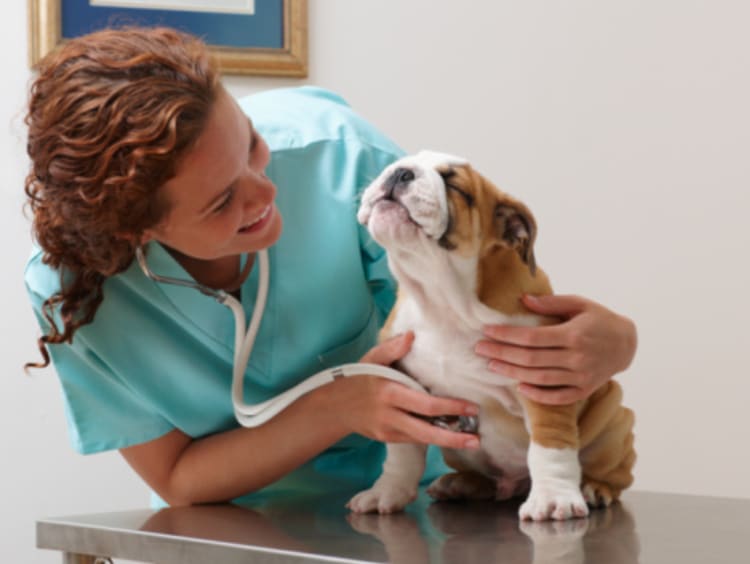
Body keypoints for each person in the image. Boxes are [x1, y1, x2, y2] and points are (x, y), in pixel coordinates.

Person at [23, 27, 637, 507]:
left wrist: (615, 340)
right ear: (137, 232)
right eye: (220, 203)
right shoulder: (75, 292)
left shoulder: (339, 156)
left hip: (419, 508)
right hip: (233, 527)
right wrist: (338, 408)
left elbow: (492, 305)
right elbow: (178, 478)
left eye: (252, 147)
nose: (264, 192)